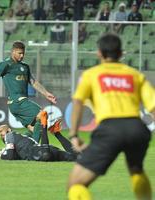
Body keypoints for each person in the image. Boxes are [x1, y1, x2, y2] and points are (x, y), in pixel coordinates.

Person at [67, 33, 155, 200]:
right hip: (137, 128)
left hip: (110, 129)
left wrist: (74, 134)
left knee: (75, 184)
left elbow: (78, 102)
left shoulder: (91, 74)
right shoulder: (135, 75)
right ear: (121, 53)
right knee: (136, 170)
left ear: (99, 53)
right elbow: (154, 107)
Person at [0, 41, 57, 143]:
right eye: (19, 53)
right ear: (13, 52)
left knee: (35, 129)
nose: (22, 56)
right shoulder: (5, 64)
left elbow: (33, 82)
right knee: (42, 114)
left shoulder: (25, 66)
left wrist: (46, 93)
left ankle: (16, 145)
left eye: (23, 53)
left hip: (20, 103)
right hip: (17, 101)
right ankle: (34, 148)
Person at [0, 112, 77, 162]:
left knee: (45, 155)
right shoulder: (22, 137)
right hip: (49, 150)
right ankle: (56, 133)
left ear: (9, 130)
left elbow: (10, 156)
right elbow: (14, 155)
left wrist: (1, 155)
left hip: (41, 152)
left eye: (1, 131)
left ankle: (44, 124)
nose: (0, 134)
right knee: (77, 158)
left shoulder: (9, 135)